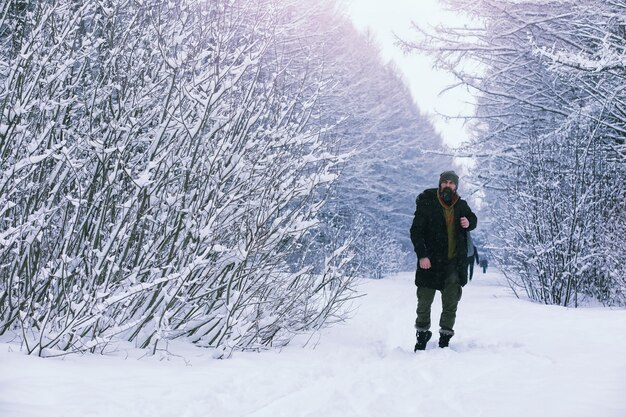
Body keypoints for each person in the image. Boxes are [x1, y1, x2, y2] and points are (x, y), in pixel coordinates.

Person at [410, 171, 477, 351]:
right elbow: (416, 231)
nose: (448, 185)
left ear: (456, 186)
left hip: (452, 265)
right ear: (440, 184)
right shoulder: (427, 202)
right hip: (429, 263)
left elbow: (473, 219)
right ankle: (422, 336)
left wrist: (468, 222)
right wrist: (422, 256)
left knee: (451, 302)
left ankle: (445, 340)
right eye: (445, 182)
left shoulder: (461, 205)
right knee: (424, 302)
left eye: (451, 183)